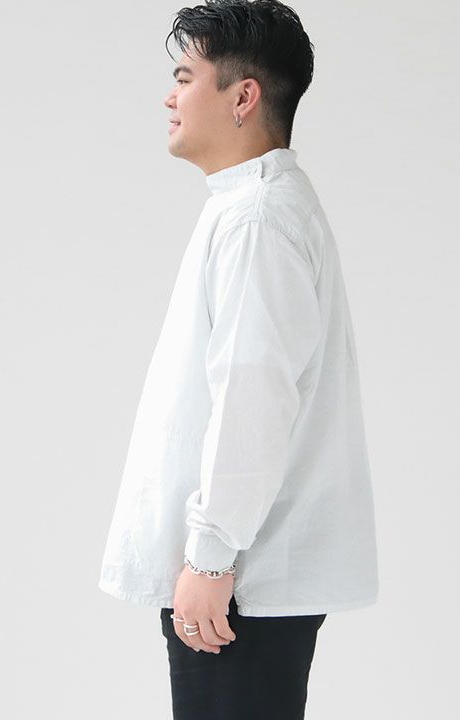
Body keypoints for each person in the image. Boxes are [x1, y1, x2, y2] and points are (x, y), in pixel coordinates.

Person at [98, 1, 379, 717]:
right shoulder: (250, 206)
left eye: (184, 77)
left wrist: (210, 556)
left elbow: (254, 395)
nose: (169, 97)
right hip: (242, 581)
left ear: (243, 96)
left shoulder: (258, 218)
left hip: (240, 586)